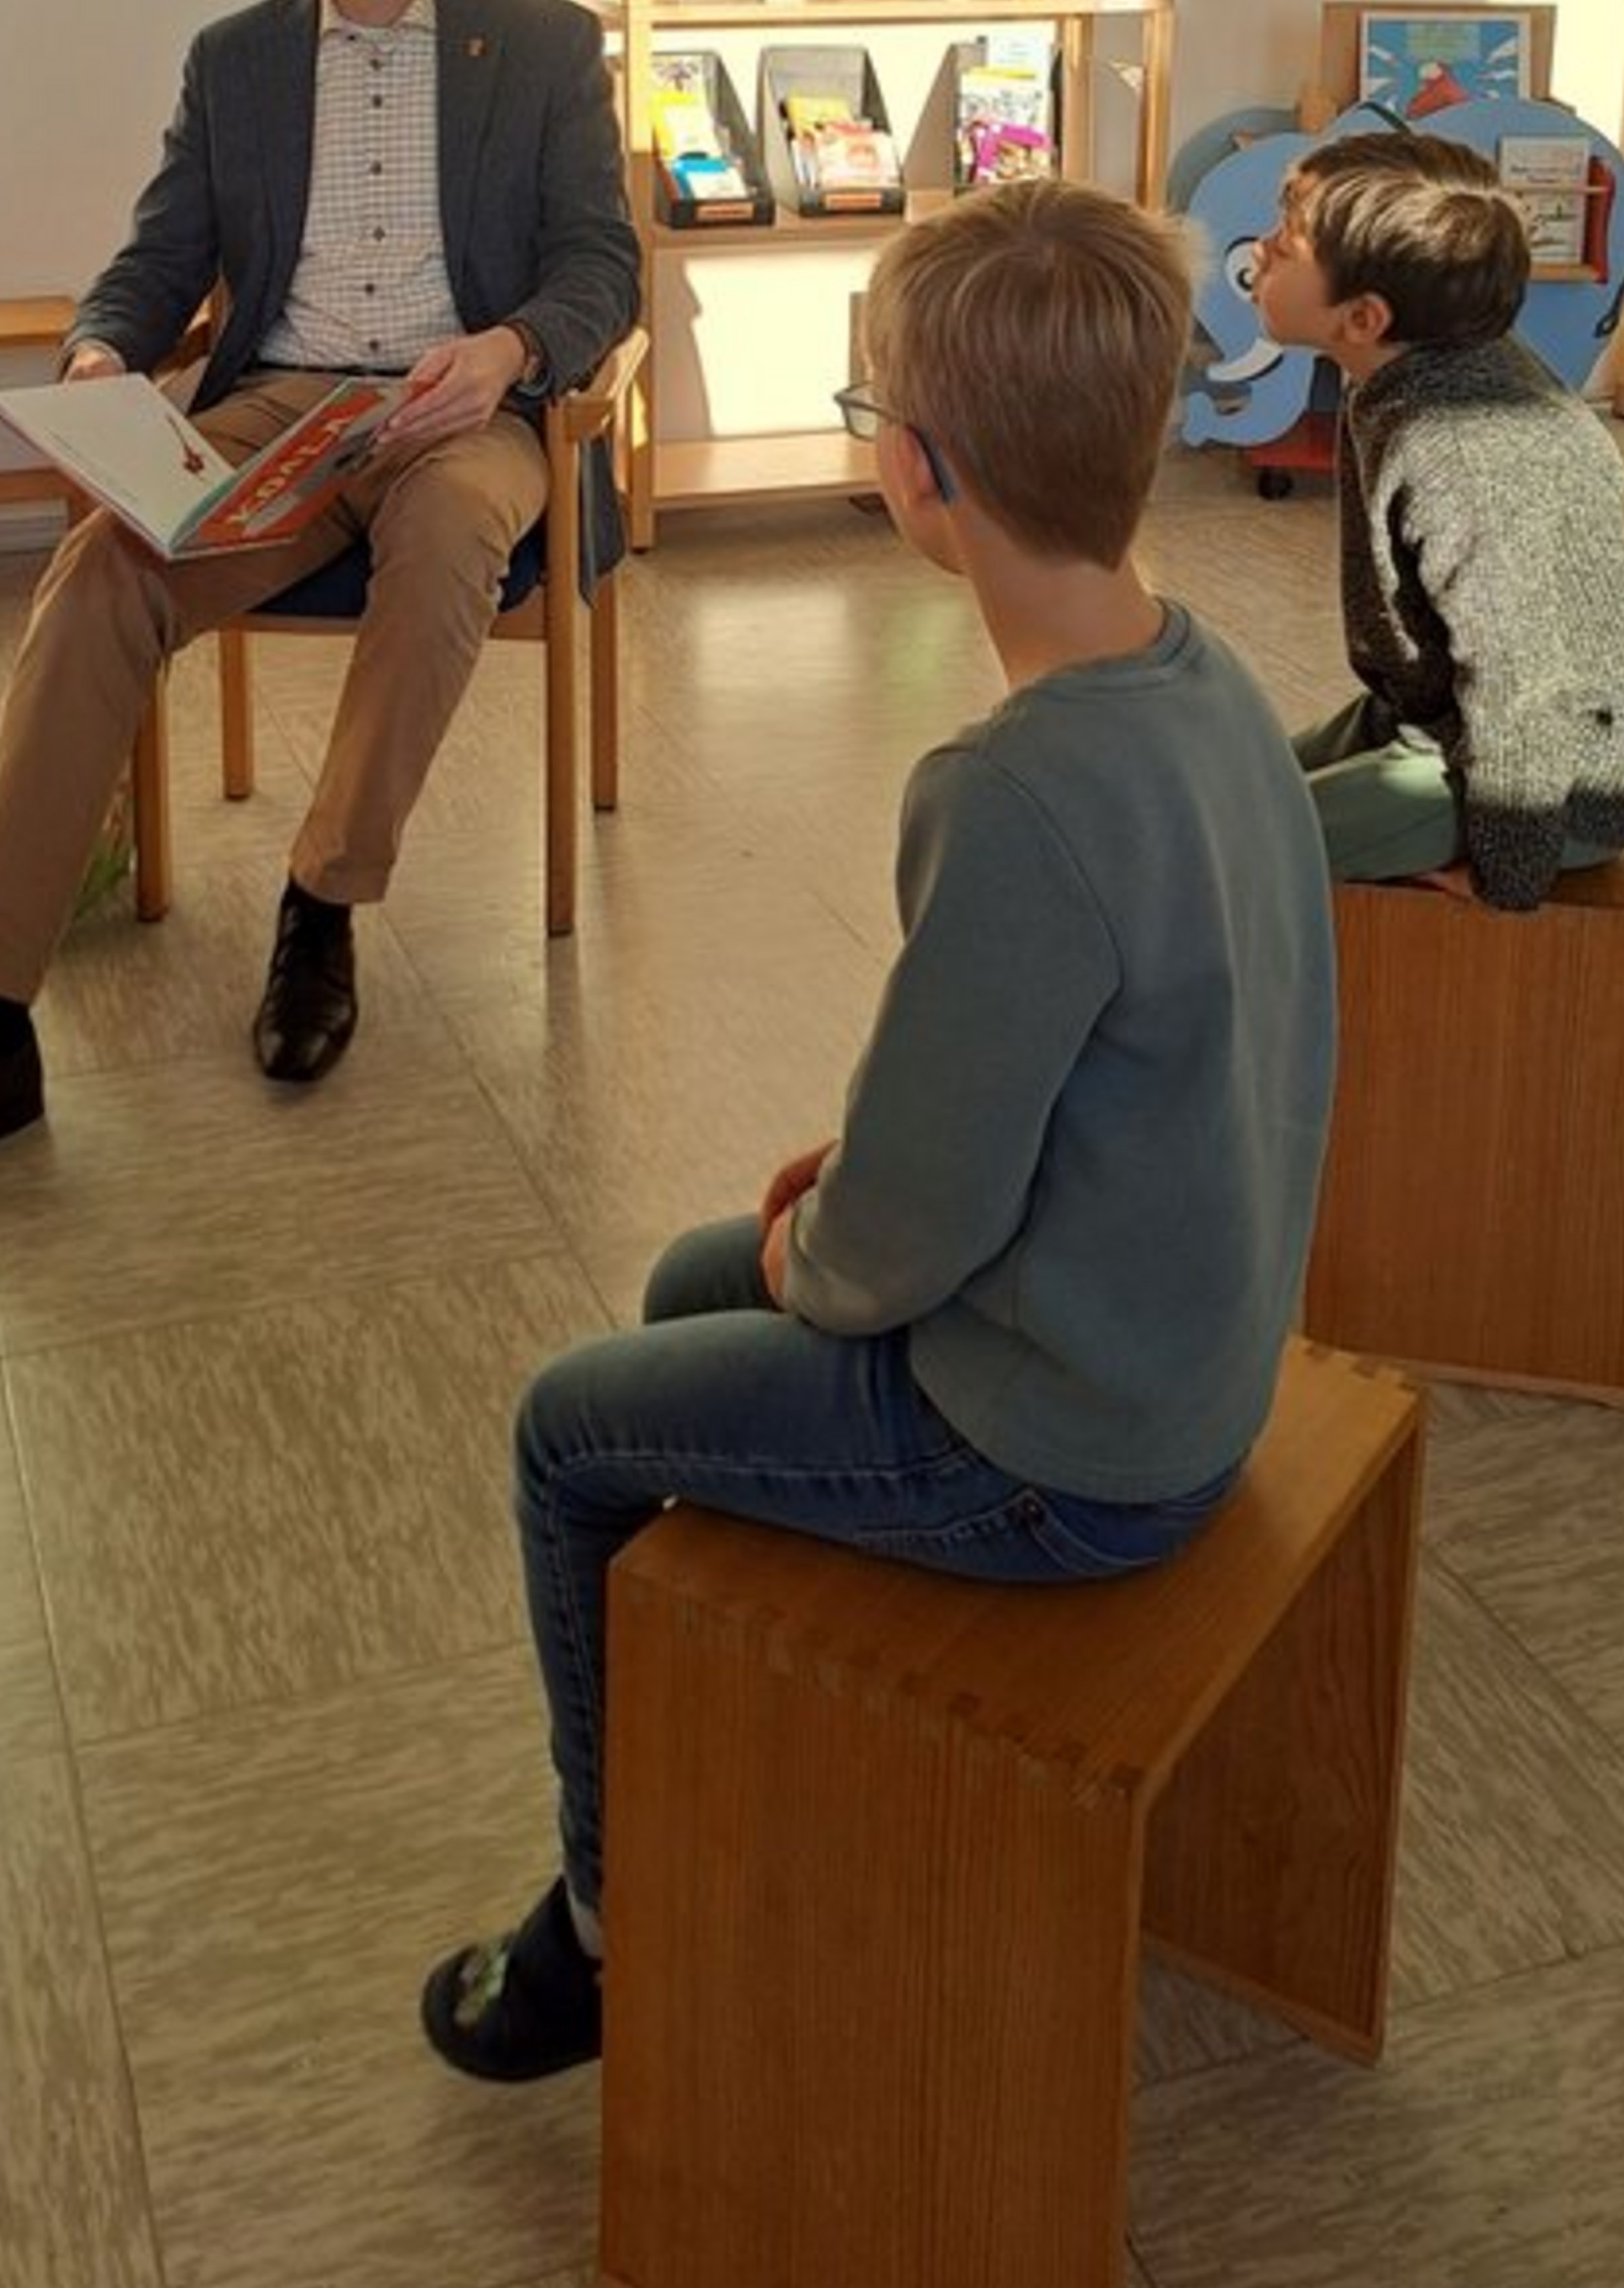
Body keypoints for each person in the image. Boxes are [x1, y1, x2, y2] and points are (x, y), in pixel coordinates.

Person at [419, 175, 1336, 2087]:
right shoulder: (1208, 680)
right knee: (688, 1277)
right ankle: (721, 1760)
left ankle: (609, 1915)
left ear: (924, 476)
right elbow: (1034, 1099)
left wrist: (818, 1244)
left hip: (1068, 1450)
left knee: (568, 1422)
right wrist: (824, 1223)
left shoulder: (1012, 790)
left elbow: (897, 1238)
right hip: (1182, 1340)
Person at [0, 0, 639, 1208]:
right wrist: (97, 354)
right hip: (280, 404)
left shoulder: (549, 45)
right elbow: (159, 255)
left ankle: (321, 903)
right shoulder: (235, 59)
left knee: (444, 548)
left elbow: (600, 267)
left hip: (468, 411)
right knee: (103, 571)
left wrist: (509, 348)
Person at [1250, 123, 1624, 907]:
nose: (1265, 247)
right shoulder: (1401, 370)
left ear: (1363, 317)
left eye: (1289, 238)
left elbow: (1522, 681)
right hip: (1436, 717)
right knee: (1234, 792)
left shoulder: (1464, 450)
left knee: (1236, 853)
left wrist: (1504, 877)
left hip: (1549, 782)